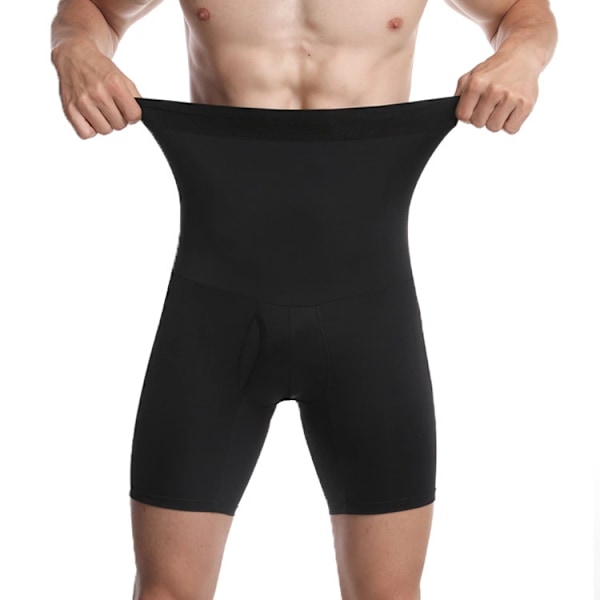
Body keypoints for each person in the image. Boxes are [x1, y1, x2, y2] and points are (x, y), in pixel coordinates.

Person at [50, 1, 558, 599]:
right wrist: (72, 47)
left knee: (389, 594)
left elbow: (523, 11)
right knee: (167, 591)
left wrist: (522, 54)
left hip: (370, 314)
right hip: (214, 313)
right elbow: (92, 10)